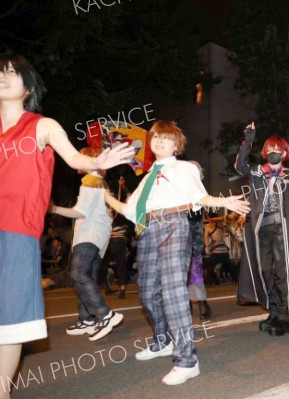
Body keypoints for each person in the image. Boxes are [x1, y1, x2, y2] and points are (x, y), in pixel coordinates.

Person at [0, 53, 134, 399]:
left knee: (8, 319)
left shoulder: (41, 126)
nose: (3, 77)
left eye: (13, 73)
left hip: (16, 232)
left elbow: (74, 157)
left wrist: (97, 161)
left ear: (29, 86)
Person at [104, 120, 249, 385]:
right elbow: (128, 210)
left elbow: (198, 196)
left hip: (173, 225)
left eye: (166, 137)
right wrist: (105, 194)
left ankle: (187, 360)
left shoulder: (183, 168)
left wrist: (222, 201)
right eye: (156, 136)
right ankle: (162, 341)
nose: (159, 141)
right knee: (147, 292)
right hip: (146, 230)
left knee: (172, 292)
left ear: (176, 144)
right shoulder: (147, 176)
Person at [235, 122, 289, 336]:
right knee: (264, 270)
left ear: (285, 153)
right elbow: (240, 166)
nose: (275, 152)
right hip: (260, 228)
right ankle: (273, 310)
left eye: (280, 149)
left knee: (284, 272)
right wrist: (248, 140)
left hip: (282, 228)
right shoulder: (256, 172)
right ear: (266, 152)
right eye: (272, 149)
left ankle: (285, 314)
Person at [48, 147, 123, 341]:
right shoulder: (100, 181)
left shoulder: (90, 181)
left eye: (81, 156)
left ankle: (105, 314)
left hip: (89, 235)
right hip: (98, 237)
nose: (76, 159)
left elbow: (81, 212)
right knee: (86, 276)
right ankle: (87, 318)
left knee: (78, 273)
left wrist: (55, 208)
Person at [101, 164, 137, 298]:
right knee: (121, 263)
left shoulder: (108, 202)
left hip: (107, 237)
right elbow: (130, 198)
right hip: (118, 236)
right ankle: (122, 290)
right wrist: (124, 187)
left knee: (104, 263)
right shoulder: (121, 205)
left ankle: (106, 286)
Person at [187, 161, 211, 322]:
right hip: (176, 237)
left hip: (192, 237)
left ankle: (202, 304)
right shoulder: (175, 188)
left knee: (195, 273)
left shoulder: (198, 190)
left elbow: (196, 218)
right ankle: (185, 306)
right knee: (179, 275)